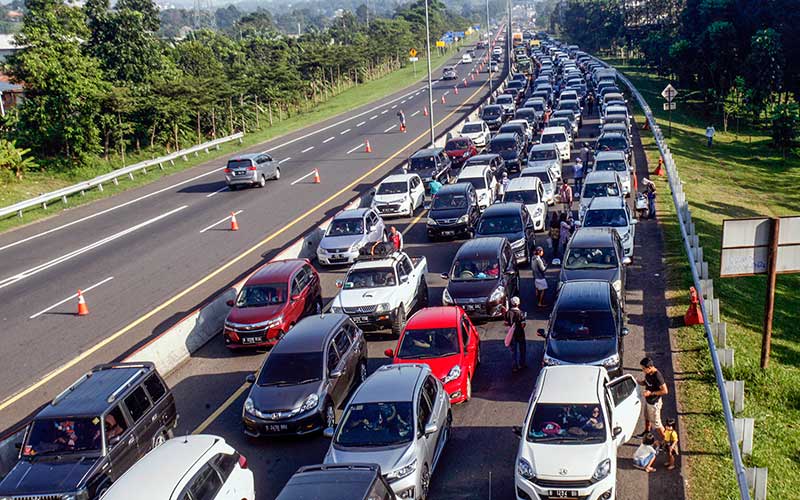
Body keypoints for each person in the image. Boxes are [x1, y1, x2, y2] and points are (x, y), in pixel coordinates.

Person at [637, 357, 668, 441]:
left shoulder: (657, 376)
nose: (643, 370)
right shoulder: (648, 373)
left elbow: (665, 391)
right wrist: (639, 382)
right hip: (648, 401)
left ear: (650, 367)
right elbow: (647, 382)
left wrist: (651, 393)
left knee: (657, 424)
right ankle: (647, 432)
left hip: (654, 403)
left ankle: (666, 441)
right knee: (647, 417)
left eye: (644, 369)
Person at [504, 296, 527, 372]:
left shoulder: (508, 313)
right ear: (518, 304)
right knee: (522, 349)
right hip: (520, 333)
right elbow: (523, 325)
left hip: (512, 334)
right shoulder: (521, 313)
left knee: (513, 351)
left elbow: (506, 323)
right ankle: (522, 364)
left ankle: (514, 366)